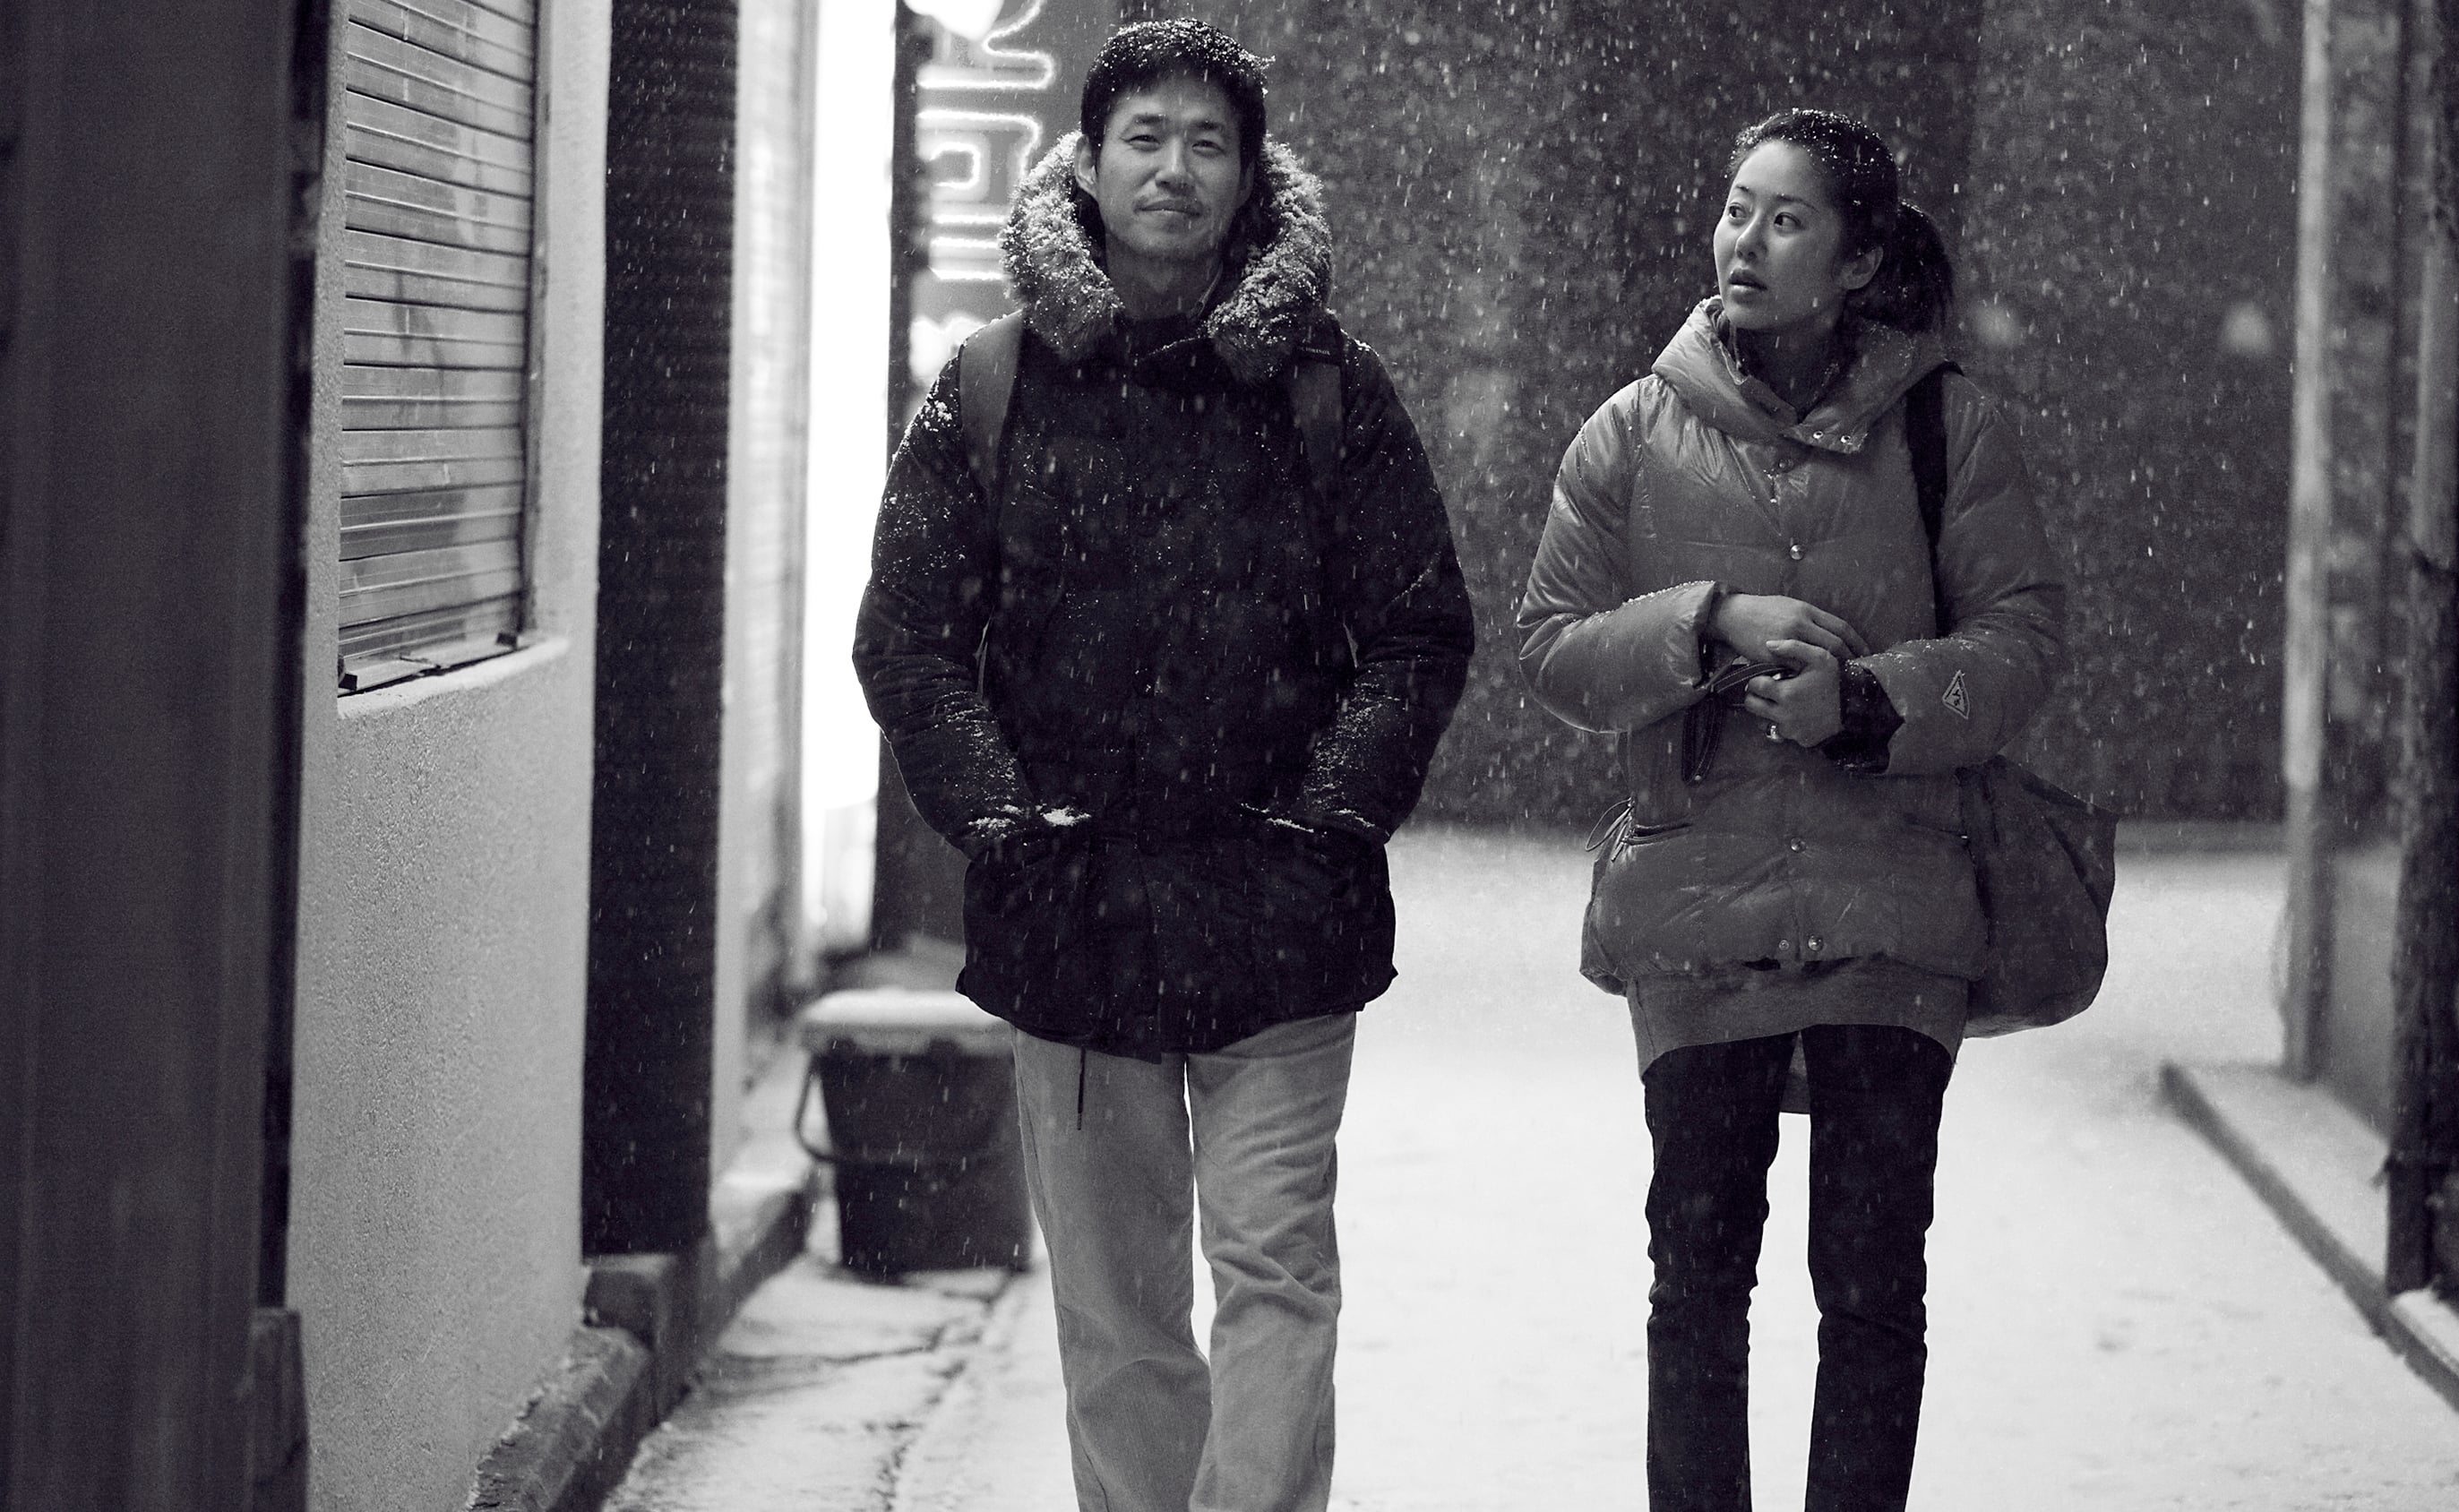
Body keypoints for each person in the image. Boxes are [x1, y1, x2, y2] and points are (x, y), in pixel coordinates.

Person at [854, 19, 1473, 1512]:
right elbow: (909, 642)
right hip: (1076, 913)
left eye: (1209, 142)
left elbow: (1416, 632)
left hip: (1282, 913)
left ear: (1253, 176)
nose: (1175, 169)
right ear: (1088, 161)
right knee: (1119, 1316)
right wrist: (1005, 825)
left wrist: (1330, 816)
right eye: (1146, 137)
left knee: (1277, 1274)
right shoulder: (994, 384)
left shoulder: (1331, 388)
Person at [1517, 109, 2066, 1512]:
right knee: (1697, 1282)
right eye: (1735, 209)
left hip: (1896, 909)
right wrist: (1706, 620)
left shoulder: (1947, 428)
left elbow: (2020, 643)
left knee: (1872, 1287)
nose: (1745, 242)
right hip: (1696, 912)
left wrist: (1869, 702)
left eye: (1786, 218)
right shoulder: (1632, 432)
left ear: (1859, 258)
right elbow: (1551, 649)